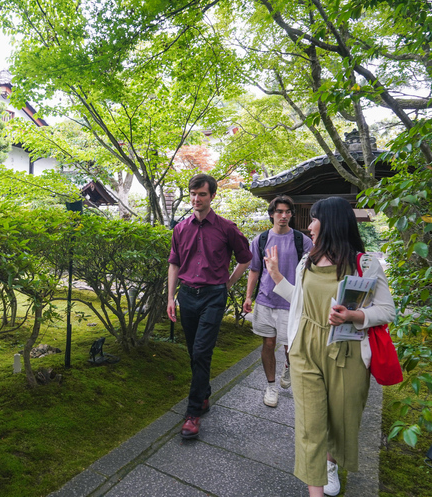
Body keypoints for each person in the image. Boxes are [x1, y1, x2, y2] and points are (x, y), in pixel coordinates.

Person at [264, 196, 395, 497]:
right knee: (310, 424)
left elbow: (387, 310)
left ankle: (331, 463)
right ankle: (316, 491)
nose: (308, 226)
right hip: (305, 347)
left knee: (341, 418)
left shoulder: (366, 264)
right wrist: (276, 277)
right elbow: (299, 301)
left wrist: (355, 315)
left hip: (346, 351)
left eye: (313, 219)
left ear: (331, 221)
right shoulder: (306, 260)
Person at [167, 174, 252, 439]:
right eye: (193, 194)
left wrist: (227, 285)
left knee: (202, 352)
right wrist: (170, 297)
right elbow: (174, 263)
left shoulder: (227, 228)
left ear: (212, 196)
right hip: (187, 296)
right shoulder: (180, 228)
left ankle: (193, 414)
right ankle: (203, 395)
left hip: (214, 295)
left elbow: (245, 259)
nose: (196, 199)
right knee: (194, 351)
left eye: (202, 194)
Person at [243, 196, 313, 408]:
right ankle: (271, 386)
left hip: (291, 302)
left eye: (287, 212)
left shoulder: (303, 241)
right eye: (279, 211)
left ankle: (289, 366)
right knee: (269, 343)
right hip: (266, 299)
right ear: (272, 214)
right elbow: (255, 269)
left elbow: (311, 274)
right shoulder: (261, 240)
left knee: (290, 346)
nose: (283, 216)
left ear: (291, 214)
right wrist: (248, 296)